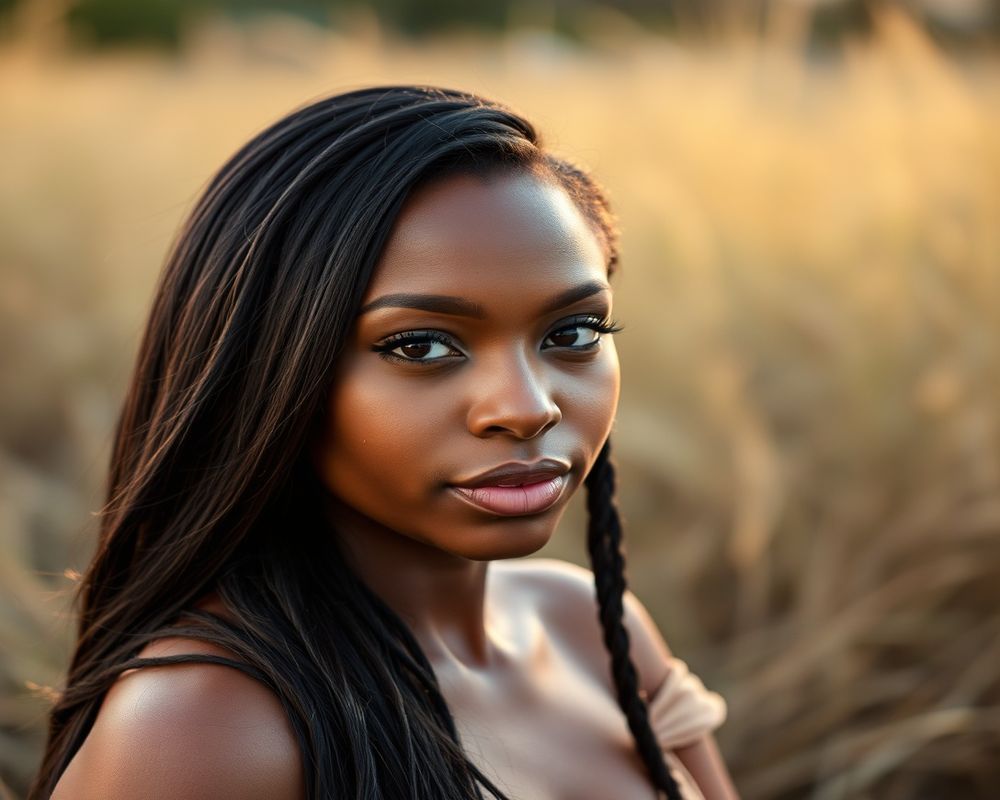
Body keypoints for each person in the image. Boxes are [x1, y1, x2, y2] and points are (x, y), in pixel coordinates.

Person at [30, 85, 738, 800]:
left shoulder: (592, 627)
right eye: (421, 346)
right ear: (269, 372)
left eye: (573, 333)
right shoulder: (205, 726)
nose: (527, 408)